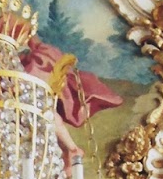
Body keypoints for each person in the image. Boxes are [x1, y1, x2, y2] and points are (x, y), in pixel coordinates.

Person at [21, 35, 123, 170]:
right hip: (13, 82)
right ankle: (68, 150)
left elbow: (32, 39)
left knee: (46, 113)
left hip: (28, 78)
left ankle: (71, 149)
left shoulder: (31, 51)